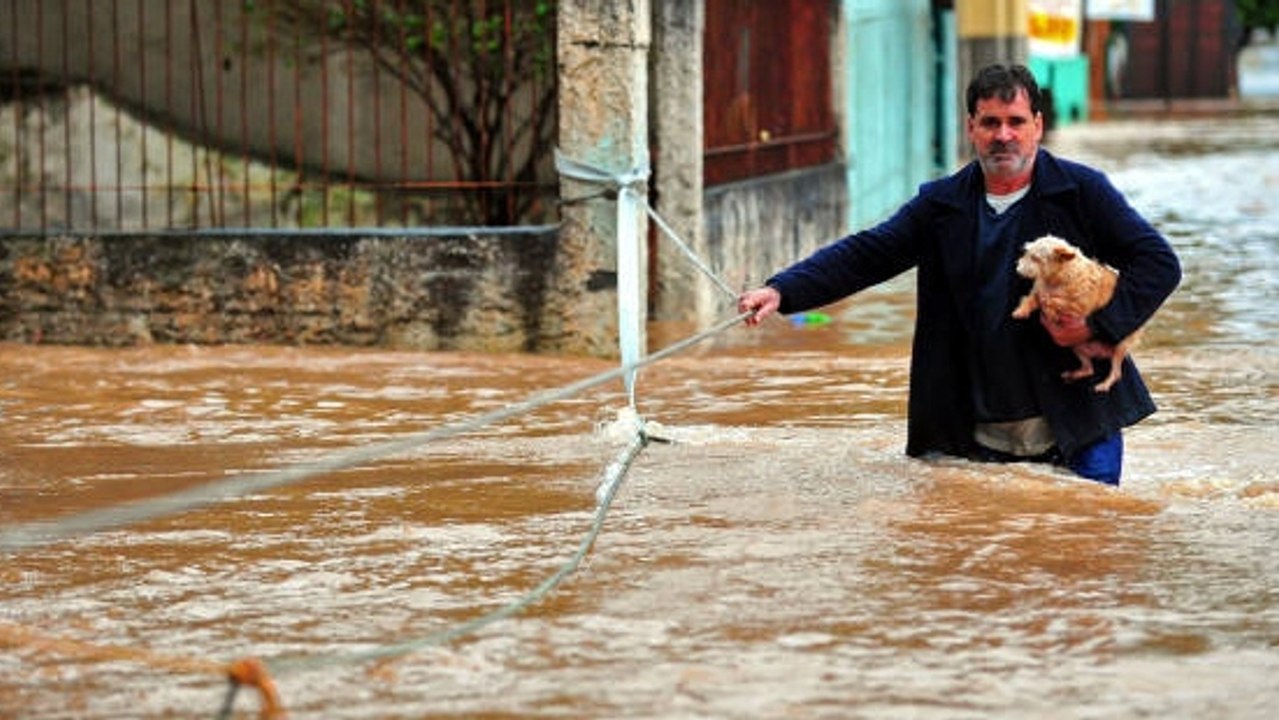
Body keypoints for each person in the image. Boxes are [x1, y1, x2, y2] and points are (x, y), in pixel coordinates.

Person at [736, 63, 1181, 485]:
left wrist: (1097, 326)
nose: (1002, 136)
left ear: (1038, 127)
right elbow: (869, 253)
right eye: (989, 123)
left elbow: (1158, 263)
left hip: (1080, 418)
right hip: (974, 426)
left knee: (1085, 538)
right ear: (971, 128)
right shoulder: (941, 204)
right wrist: (782, 290)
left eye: (1015, 121)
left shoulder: (1082, 192)